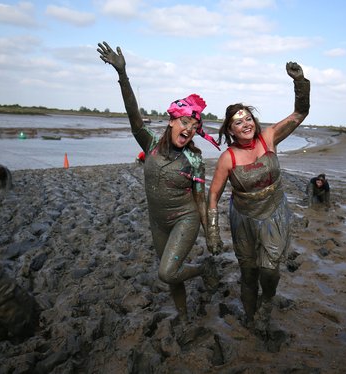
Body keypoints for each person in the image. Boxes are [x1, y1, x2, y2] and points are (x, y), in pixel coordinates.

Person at [97, 41, 220, 321]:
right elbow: (133, 117)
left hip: (184, 219)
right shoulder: (150, 143)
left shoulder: (195, 160)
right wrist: (123, 75)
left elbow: (201, 199)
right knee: (172, 274)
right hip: (157, 220)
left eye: (194, 126)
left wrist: (211, 234)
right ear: (171, 121)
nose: (188, 130)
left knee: (166, 271)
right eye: (184, 122)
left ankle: (204, 269)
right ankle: (183, 315)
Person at [206, 62, 310, 332]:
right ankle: (251, 317)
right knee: (249, 272)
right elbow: (213, 196)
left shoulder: (269, 138)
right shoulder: (227, 158)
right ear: (230, 130)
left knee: (270, 270)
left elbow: (301, 112)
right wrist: (214, 233)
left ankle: (268, 302)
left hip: (273, 212)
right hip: (243, 219)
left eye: (248, 119)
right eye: (238, 122)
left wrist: (299, 82)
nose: (245, 124)